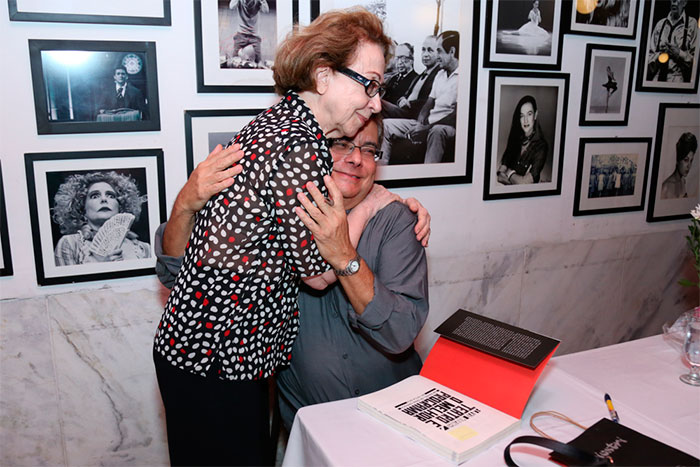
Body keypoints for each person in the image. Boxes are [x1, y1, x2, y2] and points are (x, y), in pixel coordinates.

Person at [151, 8, 393, 466]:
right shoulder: (300, 145)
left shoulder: (280, 123)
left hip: (205, 354)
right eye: (371, 83)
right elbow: (322, 273)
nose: (376, 103)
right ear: (324, 76)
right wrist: (373, 202)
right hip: (217, 361)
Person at [155, 115, 430, 432]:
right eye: (340, 144)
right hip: (311, 424)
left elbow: (399, 331)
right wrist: (185, 204)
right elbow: (177, 275)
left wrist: (348, 252)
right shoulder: (265, 215)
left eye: (369, 150)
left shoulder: (396, 221)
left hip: (393, 414)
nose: (356, 158)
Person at [379, 30, 459, 165]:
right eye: (423, 50)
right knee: (386, 125)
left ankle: (428, 177)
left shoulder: (463, 78)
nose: (437, 56)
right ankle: (382, 170)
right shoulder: (440, 75)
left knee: (437, 131)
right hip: (426, 122)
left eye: (438, 51)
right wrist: (421, 124)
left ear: (451, 51)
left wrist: (426, 127)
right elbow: (428, 103)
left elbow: (457, 115)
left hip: (441, 126)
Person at [51, 171, 150, 266]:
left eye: (111, 196)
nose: (104, 199)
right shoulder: (70, 243)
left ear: (120, 207)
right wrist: (102, 266)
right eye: (95, 196)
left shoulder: (143, 248)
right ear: (81, 209)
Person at [382, 35, 441, 120]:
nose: (400, 62)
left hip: (410, 115)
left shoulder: (434, 76)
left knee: (377, 103)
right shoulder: (419, 77)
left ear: (412, 59)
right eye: (397, 58)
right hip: (400, 111)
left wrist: (409, 103)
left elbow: (429, 101)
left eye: (404, 58)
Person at [497, 95, 549, 185]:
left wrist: (509, 173)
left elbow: (525, 183)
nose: (525, 120)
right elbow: (500, 177)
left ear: (535, 115)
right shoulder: (515, 140)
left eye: (529, 114)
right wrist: (517, 180)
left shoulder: (541, 146)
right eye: (522, 116)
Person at [646, 0, 697, 83]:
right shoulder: (660, 24)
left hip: (677, 80)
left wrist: (678, 53)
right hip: (657, 79)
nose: (674, 2)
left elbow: (695, 62)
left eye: (677, 0)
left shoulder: (692, 24)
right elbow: (648, 58)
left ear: (684, 3)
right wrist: (660, 55)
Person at [229, 0, 269, 68]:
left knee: (259, 62)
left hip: (254, 36)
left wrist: (262, 1)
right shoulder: (240, 1)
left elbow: (266, 11)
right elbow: (231, 7)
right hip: (241, 34)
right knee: (234, 59)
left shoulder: (257, 2)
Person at [661, 132, 697, 199]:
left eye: (691, 161)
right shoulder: (665, 187)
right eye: (686, 160)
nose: (689, 166)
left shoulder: (683, 181)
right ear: (678, 159)